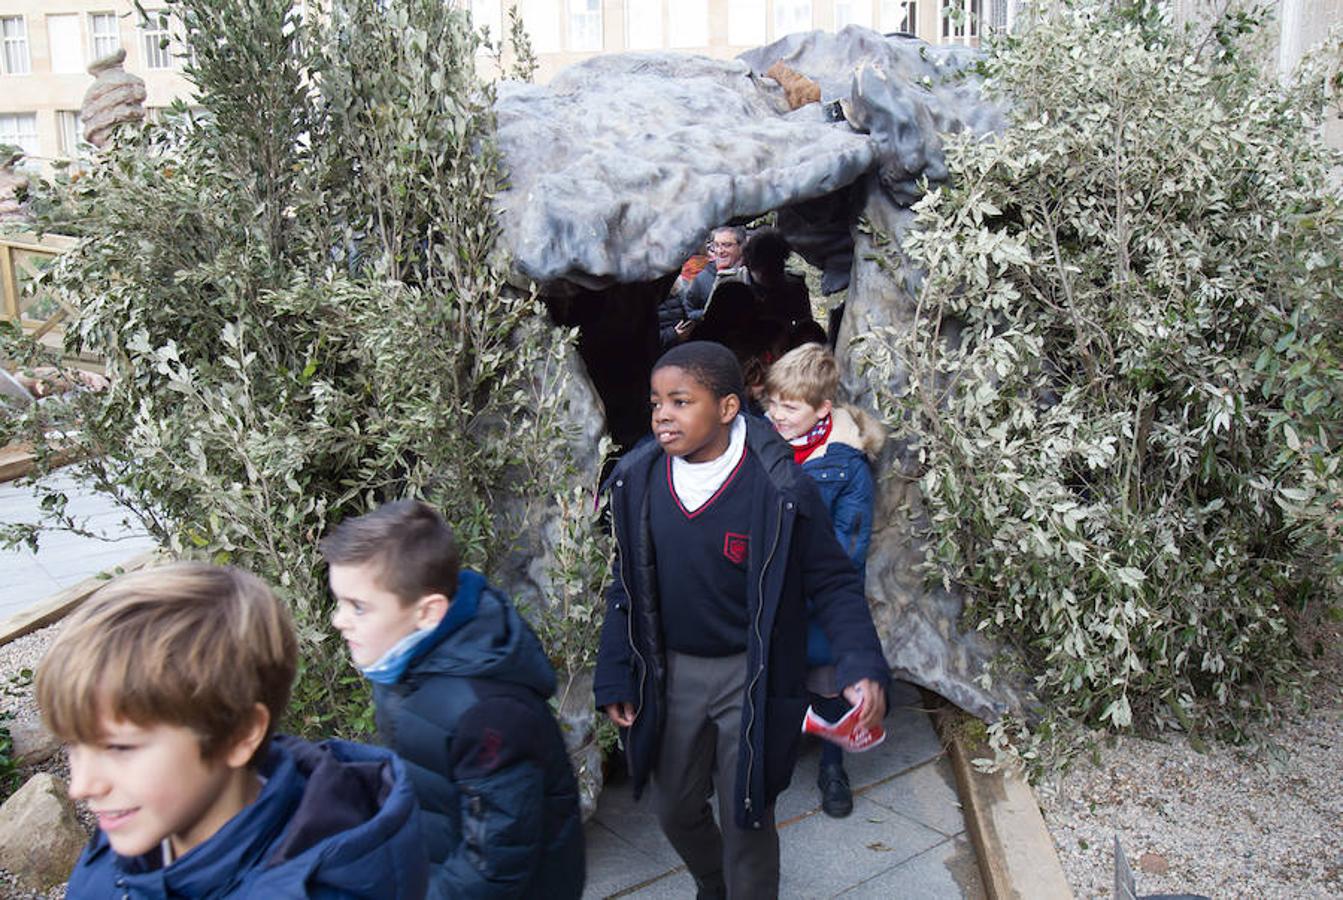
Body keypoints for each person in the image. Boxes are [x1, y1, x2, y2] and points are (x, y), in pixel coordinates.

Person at [594, 340, 890, 899]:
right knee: (673, 806)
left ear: (728, 408)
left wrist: (859, 662)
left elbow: (831, 580)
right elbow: (626, 584)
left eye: (681, 401)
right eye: (656, 402)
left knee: (746, 813)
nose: (663, 414)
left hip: (751, 673)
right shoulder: (639, 481)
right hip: (672, 670)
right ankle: (714, 882)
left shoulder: (779, 488)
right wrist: (616, 669)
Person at [36, 562, 428, 898]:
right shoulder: (137, 827)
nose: (81, 787)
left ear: (241, 734)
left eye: (119, 749)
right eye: (74, 746)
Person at [321, 500, 585, 900]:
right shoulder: (404, 660)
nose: (338, 620)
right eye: (339, 602)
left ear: (427, 612)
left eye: (358, 607)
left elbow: (495, 863)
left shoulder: (487, 714)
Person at [765, 343, 886, 818]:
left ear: (822, 409)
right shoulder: (763, 446)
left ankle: (833, 766)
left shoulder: (847, 466)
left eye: (789, 407)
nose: (776, 414)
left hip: (815, 598)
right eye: (772, 402)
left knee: (830, 684)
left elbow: (846, 550)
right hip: (771, 596)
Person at [742, 227, 812, 329]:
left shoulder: (794, 285)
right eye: (763, 268)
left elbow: (805, 327)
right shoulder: (731, 284)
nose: (767, 275)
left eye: (774, 268)